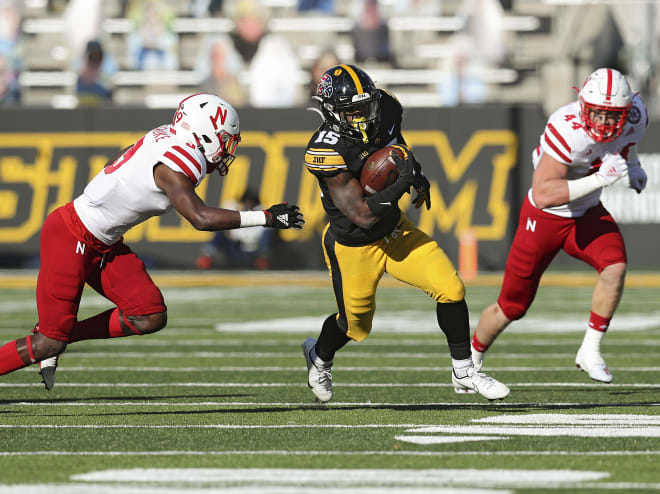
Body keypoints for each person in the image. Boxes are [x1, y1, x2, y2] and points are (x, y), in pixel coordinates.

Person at [0, 93, 304, 390]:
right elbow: (200, 218)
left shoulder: (168, 136)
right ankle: (53, 338)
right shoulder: (178, 159)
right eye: (224, 139)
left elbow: (119, 159)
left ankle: (65, 335)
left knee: (148, 314)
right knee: (47, 342)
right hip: (72, 234)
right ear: (205, 134)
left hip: (103, 242)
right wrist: (265, 217)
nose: (227, 149)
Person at [300, 63, 509, 403]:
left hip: (394, 231)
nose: (362, 117)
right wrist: (402, 182)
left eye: (364, 107)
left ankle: (464, 371)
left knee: (451, 288)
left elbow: (397, 150)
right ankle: (319, 356)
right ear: (332, 113)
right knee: (354, 326)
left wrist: (417, 175)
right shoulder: (326, 149)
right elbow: (362, 215)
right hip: (353, 245)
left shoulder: (385, 108)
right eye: (351, 112)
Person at [471, 68, 649, 384]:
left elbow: (627, 144)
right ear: (583, 105)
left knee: (615, 267)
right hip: (544, 219)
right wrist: (598, 179)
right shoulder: (567, 127)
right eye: (597, 114)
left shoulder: (635, 116)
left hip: (587, 211)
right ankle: (469, 363)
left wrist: (633, 166)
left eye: (612, 116)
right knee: (511, 307)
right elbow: (543, 194)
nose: (604, 124)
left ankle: (590, 350)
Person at [195, 189, 274, 270]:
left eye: (252, 203)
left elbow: (263, 235)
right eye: (246, 202)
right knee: (220, 230)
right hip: (235, 249)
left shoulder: (261, 215)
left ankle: (263, 259)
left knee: (267, 234)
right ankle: (207, 256)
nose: (248, 205)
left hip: (253, 252)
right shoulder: (234, 211)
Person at [76, 40, 112, 107]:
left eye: (99, 58)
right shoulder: (73, 85)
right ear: (84, 57)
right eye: (92, 58)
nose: (95, 63)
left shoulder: (106, 86)